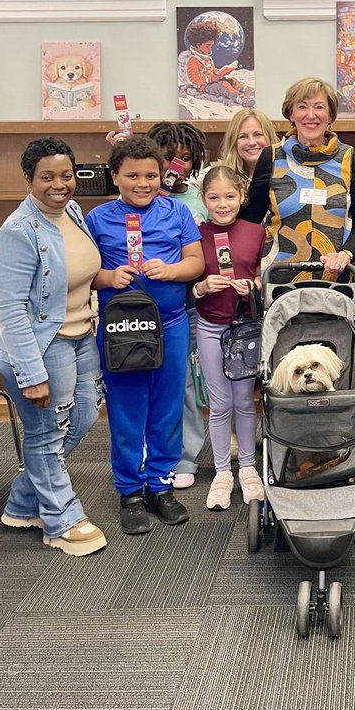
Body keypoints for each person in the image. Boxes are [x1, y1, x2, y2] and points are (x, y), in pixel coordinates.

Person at [0, 137, 106, 556]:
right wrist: (31, 374)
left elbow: (81, 270)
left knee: (85, 415)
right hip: (38, 342)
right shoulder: (18, 231)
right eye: (47, 177)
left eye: (66, 175)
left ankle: (22, 501)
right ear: (29, 179)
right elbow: (10, 309)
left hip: (79, 332)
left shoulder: (71, 211)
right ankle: (61, 521)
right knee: (46, 433)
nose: (60, 184)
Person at [86, 136, 204, 535]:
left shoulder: (178, 213)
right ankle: (130, 492)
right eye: (132, 175)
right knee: (127, 409)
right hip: (121, 329)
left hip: (170, 325)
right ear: (115, 176)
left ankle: (160, 486)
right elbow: (86, 274)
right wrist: (106, 276)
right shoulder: (98, 218)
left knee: (169, 407)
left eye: (151, 175)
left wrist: (171, 271)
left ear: (162, 175)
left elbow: (196, 262)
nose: (143, 182)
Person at [140, 122, 212, 493]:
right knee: (167, 383)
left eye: (185, 158)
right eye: (169, 157)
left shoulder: (200, 199)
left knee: (196, 384)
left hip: (198, 304)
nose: (176, 165)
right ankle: (167, 455)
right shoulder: (142, 197)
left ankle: (189, 454)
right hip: (149, 310)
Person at [189, 165, 266, 512]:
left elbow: (264, 279)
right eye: (214, 197)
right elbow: (187, 285)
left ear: (243, 197)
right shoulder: (194, 233)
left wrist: (253, 286)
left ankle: (248, 466)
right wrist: (202, 286)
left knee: (245, 401)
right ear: (203, 199)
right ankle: (223, 471)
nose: (222, 204)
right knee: (219, 404)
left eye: (230, 196)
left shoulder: (256, 231)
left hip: (246, 328)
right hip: (209, 326)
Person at [243, 78, 355, 275]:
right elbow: (252, 220)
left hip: (336, 276)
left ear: (330, 115)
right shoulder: (271, 157)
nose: (311, 115)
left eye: (319, 107)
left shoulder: (348, 157)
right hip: (280, 276)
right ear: (291, 114)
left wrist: (346, 254)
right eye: (302, 107)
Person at [219, 108, 279, 180]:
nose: (252, 142)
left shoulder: (285, 175)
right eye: (243, 136)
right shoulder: (220, 178)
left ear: (270, 137)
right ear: (233, 142)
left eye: (258, 135)